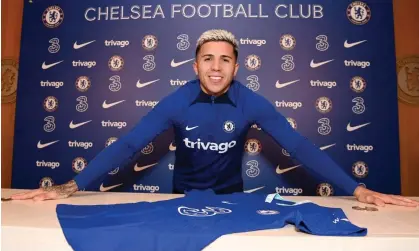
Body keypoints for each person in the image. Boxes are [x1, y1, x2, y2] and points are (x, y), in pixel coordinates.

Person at [12, 29, 418, 208]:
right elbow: (128, 144)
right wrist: (71, 185)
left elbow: (300, 146)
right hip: (182, 200)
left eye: (225, 60)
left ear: (236, 67)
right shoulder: (176, 101)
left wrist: (356, 189)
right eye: (208, 59)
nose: (217, 67)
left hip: (232, 200)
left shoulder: (251, 102)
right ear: (195, 66)